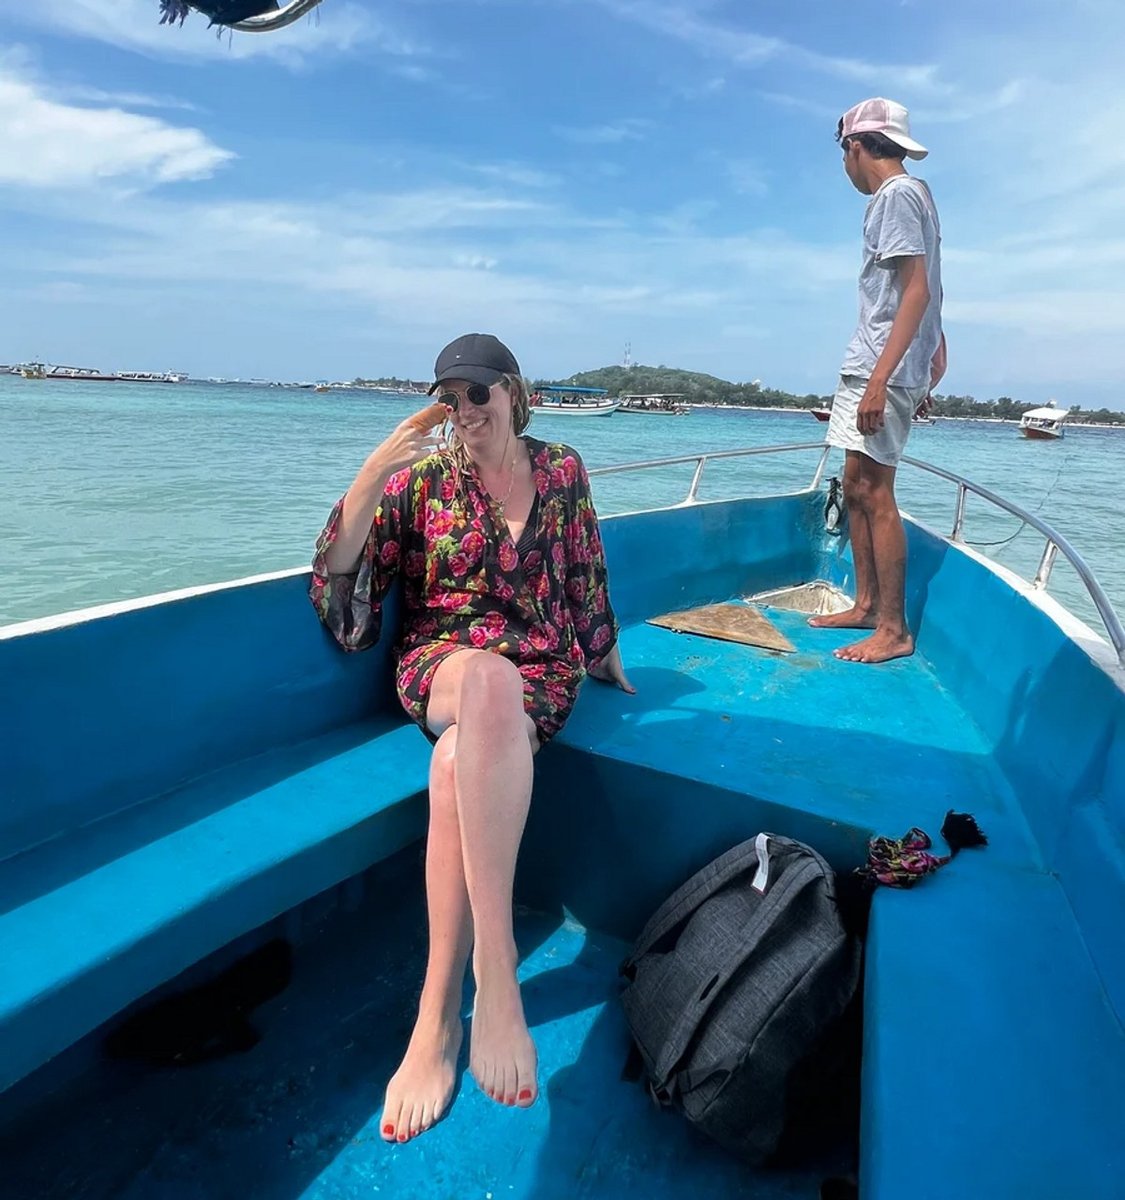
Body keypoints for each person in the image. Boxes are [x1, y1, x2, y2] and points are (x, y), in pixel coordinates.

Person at [309, 333, 634, 1143]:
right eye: (448, 399)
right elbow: (340, 585)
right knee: (485, 682)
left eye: (476, 396)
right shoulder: (421, 482)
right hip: (447, 664)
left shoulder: (562, 469)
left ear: (513, 392)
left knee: (460, 758)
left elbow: (586, 574)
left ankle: (434, 1019)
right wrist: (374, 469)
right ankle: (496, 978)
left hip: (541, 670)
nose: (462, 413)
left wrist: (605, 655)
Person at [811, 98, 946, 664]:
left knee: (876, 491)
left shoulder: (894, 196)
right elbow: (927, 285)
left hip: (878, 366)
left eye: (844, 154)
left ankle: (892, 628)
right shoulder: (918, 196)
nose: (845, 167)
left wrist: (880, 379)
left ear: (855, 146)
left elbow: (914, 287)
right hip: (880, 361)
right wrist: (937, 344)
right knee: (855, 479)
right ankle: (867, 604)